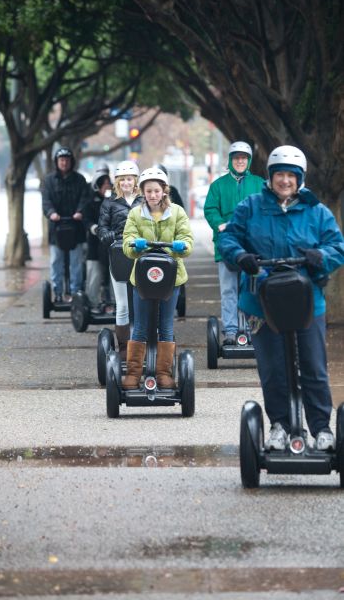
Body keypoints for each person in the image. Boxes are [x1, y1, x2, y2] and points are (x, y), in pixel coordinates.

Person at [218, 145, 344, 451]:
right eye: (279, 175)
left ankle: (321, 429)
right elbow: (228, 238)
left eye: (291, 175)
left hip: (306, 301)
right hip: (262, 299)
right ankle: (279, 426)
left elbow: (337, 246)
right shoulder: (252, 206)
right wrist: (241, 256)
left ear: (299, 178)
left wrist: (320, 257)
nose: (284, 180)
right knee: (273, 367)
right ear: (270, 177)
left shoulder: (316, 211)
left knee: (313, 367)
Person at [122, 166, 194, 389]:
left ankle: (164, 373)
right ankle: (133, 373)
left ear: (164, 190)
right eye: (148, 191)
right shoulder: (135, 214)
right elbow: (127, 243)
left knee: (166, 326)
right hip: (143, 279)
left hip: (171, 278)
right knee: (141, 326)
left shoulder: (177, 212)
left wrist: (182, 246)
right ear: (142, 192)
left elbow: (187, 239)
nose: (153, 195)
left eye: (157, 190)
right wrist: (135, 245)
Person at [204, 141, 264, 345]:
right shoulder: (218, 185)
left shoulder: (259, 183)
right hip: (226, 246)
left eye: (244, 158)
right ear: (230, 160)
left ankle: (249, 328)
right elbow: (210, 209)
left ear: (249, 161)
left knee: (250, 287)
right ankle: (230, 331)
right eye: (236, 158)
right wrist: (220, 224)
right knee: (228, 289)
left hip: (252, 246)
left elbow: (266, 208)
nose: (240, 161)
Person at [98, 160, 142, 359]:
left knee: (143, 300)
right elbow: (102, 227)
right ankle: (124, 347)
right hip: (119, 256)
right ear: (117, 181)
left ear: (136, 180)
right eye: (122, 179)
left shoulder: (144, 201)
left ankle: (142, 342)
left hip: (142, 255)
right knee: (123, 304)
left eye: (129, 179)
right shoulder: (110, 203)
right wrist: (105, 235)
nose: (126, 182)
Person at [42, 146, 89, 305]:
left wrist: (80, 211)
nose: (64, 163)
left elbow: (85, 198)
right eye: (61, 160)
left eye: (67, 160)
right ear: (57, 162)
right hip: (57, 229)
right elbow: (46, 201)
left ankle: (76, 293)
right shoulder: (49, 181)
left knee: (76, 263)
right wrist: (51, 213)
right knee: (56, 262)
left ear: (71, 162)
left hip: (76, 228)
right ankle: (58, 293)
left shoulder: (80, 180)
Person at [83, 164, 113, 310]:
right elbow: (86, 219)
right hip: (95, 245)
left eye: (109, 184)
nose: (107, 187)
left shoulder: (115, 201)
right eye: (104, 184)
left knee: (115, 276)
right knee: (94, 275)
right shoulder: (90, 201)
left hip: (112, 246)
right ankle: (92, 304)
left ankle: (115, 303)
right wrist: (93, 228)